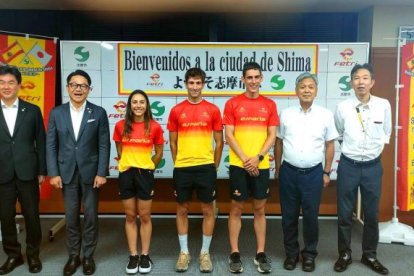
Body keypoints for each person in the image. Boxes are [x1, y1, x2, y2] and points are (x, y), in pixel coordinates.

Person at [46, 69, 110, 276]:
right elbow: (51, 145)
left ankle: (88, 256)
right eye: (74, 85)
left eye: (83, 86)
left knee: (91, 216)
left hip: (91, 174)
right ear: (67, 88)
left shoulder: (98, 113)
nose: (78, 89)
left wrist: (102, 172)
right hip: (66, 173)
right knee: (71, 217)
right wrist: (53, 173)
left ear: (89, 89)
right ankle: (73, 256)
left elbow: (103, 145)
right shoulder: (57, 113)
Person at [274, 72, 338, 272]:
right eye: (302, 87)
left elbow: (330, 145)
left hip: (313, 174)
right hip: (289, 173)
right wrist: (278, 168)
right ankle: (291, 254)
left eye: (311, 86)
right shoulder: (286, 114)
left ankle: (309, 255)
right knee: (288, 216)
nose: (307, 90)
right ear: (296, 90)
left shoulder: (326, 115)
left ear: (316, 91)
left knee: (311, 217)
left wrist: (326, 172)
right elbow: (278, 142)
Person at [333, 63, 391, 275]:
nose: (361, 82)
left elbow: (386, 133)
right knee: (344, 214)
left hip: (373, 167)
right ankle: (344, 254)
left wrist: (371, 154)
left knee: (372, 214)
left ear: (372, 82)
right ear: (351, 82)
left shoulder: (383, 105)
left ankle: (370, 255)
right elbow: (339, 132)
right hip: (348, 165)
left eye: (365, 78)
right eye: (356, 78)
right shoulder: (342, 107)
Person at [223, 62, 279, 274]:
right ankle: (235, 253)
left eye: (257, 77)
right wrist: (247, 160)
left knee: (259, 209)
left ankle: (260, 253)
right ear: (243, 79)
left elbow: (272, 135)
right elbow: (229, 135)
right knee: (236, 208)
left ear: (262, 78)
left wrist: (259, 157)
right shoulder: (232, 103)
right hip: (239, 164)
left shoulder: (270, 105)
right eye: (249, 77)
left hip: (261, 165)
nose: (253, 81)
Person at [167, 67, 223, 273]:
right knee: (182, 209)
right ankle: (184, 253)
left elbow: (219, 142)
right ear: (186, 84)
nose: (195, 87)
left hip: (205, 168)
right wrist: (179, 162)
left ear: (203, 84)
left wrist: (213, 166)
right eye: (191, 83)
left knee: (208, 210)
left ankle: (204, 254)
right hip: (183, 168)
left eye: (198, 83)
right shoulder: (176, 110)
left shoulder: (213, 110)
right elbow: (172, 143)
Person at [0, 65, 45, 274]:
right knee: (5, 217)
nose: (6, 86)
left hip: (28, 171)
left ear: (19, 85)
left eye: (10, 82)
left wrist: (42, 170)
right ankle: (13, 255)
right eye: (2, 82)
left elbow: (41, 143)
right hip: (2, 173)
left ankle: (33, 255)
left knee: (32, 215)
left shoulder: (33, 111)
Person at [113, 90, 164, 274]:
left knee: (144, 216)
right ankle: (133, 256)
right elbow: (119, 150)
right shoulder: (120, 126)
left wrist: (149, 166)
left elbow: (159, 152)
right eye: (134, 102)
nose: (138, 105)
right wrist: (129, 162)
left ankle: (144, 255)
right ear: (130, 105)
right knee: (130, 216)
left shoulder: (155, 127)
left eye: (142, 102)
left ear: (147, 105)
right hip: (126, 174)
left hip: (145, 175)